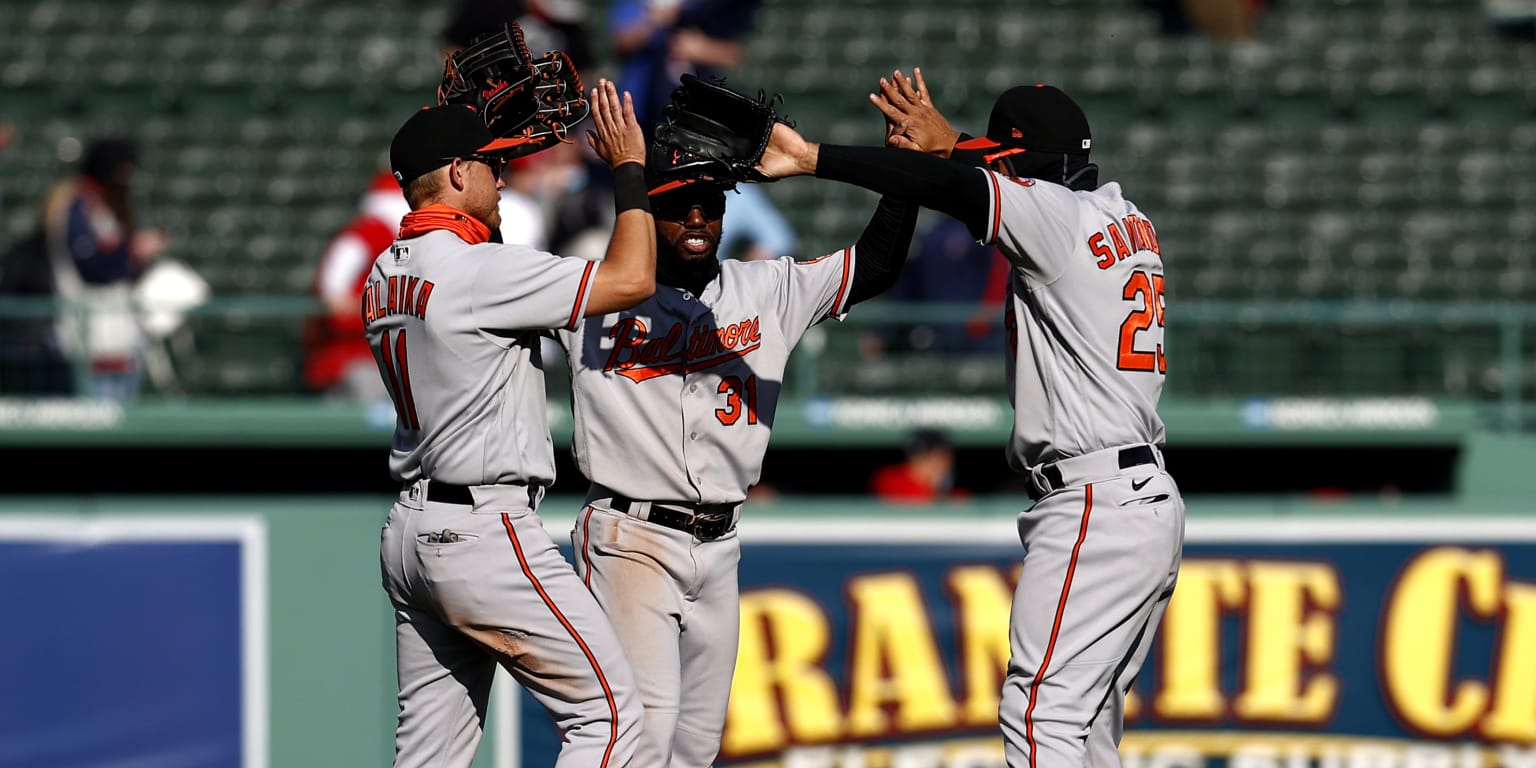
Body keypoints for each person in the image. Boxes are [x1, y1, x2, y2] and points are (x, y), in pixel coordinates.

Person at [751, 69, 1186, 767]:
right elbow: (991, 176)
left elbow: (962, 187)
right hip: (1144, 496)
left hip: (1096, 501)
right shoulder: (1125, 216)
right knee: (1088, 725)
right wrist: (954, 145)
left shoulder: (1055, 217)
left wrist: (815, 158)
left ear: (1022, 166)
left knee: (1038, 710)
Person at [553, 121, 926, 765]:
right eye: (677, 205)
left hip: (720, 543)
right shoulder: (591, 293)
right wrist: (626, 177)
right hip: (630, 537)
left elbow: (876, 265)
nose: (698, 216)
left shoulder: (767, 289)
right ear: (647, 210)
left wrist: (905, 178)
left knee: (696, 749)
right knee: (639, 738)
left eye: (711, 203)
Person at [371, 84, 662, 768]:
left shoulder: (385, 271)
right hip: (483, 532)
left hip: (411, 533)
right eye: (491, 164)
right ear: (458, 174)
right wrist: (628, 169)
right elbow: (633, 278)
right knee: (611, 718)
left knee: (429, 756)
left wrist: (465, 126)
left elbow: (472, 268)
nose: (504, 177)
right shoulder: (479, 271)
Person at [0, 136, 167, 400]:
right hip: (89, 338)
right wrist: (133, 251)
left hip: (118, 337)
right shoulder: (77, 207)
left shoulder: (104, 207)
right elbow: (92, 269)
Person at [869, 427, 968, 504]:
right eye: (926, 458)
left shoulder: (956, 496)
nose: (937, 463)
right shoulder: (889, 479)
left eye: (942, 456)